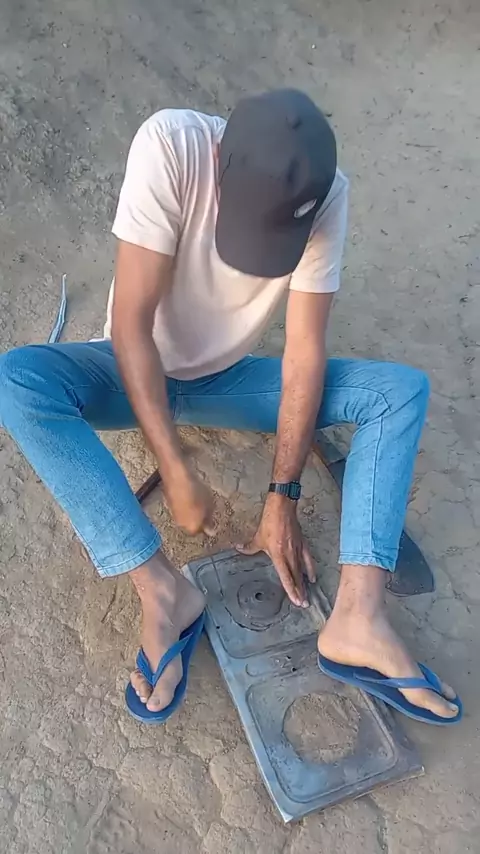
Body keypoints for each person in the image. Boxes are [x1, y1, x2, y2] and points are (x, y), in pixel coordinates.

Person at [0, 89, 461, 725]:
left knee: (398, 391)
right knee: (18, 381)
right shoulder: (171, 146)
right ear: (220, 159)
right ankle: (163, 593)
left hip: (230, 381)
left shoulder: (327, 195)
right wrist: (174, 465)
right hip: (128, 371)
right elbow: (132, 326)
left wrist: (282, 497)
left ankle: (359, 617)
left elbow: (304, 353)